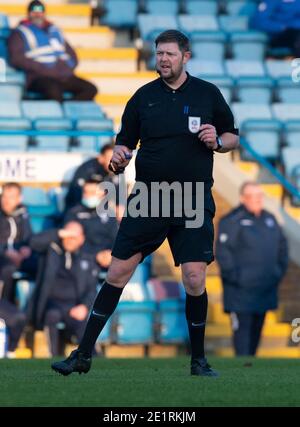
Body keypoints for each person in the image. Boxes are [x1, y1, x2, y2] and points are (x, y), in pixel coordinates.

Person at [52, 29, 239, 377]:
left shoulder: (207, 94)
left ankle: (198, 361)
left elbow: (231, 135)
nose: (163, 59)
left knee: (195, 278)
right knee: (118, 272)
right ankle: (82, 354)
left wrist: (219, 140)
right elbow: (123, 145)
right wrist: (119, 158)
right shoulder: (142, 98)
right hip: (148, 198)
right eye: (159, 54)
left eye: (169, 54)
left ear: (186, 56)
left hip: (192, 199)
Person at [216, 182, 288, 356]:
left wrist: (276, 274)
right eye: (253, 196)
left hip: (265, 290)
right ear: (242, 198)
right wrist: (238, 277)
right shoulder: (232, 220)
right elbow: (223, 253)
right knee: (243, 339)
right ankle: (241, 374)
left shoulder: (270, 219)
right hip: (240, 294)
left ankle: (252, 371)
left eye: (260, 196)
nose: (257, 200)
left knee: (256, 336)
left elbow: (282, 249)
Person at [30, 221, 99, 356]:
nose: (69, 239)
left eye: (74, 236)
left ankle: (93, 359)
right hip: (52, 305)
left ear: (81, 239)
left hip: (74, 307)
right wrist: (60, 232)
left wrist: (84, 307)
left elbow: (92, 289)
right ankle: (54, 358)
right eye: (67, 235)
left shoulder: (87, 259)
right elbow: (34, 242)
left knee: (84, 327)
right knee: (52, 315)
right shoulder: (51, 251)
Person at [7, 0, 97, 102]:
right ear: (28, 13)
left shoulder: (54, 31)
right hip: (39, 77)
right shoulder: (20, 32)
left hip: (63, 76)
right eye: (34, 11)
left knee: (90, 89)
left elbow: (72, 56)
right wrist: (42, 68)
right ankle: (56, 112)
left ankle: (68, 109)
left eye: (40, 11)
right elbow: (16, 58)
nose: (37, 14)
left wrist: (66, 68)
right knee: (54, 92)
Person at [64, 179, 119, 270]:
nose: (88, 196)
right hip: (80, 262)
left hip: (106, 260)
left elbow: (115, 239)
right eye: (85, 192)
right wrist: (95, 256)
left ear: (103, 194)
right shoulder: (73, 213)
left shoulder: (109, 214)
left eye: (92, 192)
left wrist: (110, 254)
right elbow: (69, 243)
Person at [0, 183, 35, 303]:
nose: (6, 201)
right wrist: (5, 251)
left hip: (20, 256)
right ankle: (6, 308)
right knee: (7, 269)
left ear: (19, 199)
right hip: (3, 256)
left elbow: (28, 236)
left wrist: (27, 248)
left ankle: (34, 310)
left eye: (11, 197)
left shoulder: (23, 213)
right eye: (4, 197)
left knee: (43, 263)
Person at [64, 143, 115, 211]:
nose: (113, 162)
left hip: (100, 210)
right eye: (109, 158)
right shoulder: (86, 169)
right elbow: (77, 194)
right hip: (78, 209)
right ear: (101, 158)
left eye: (114, 158)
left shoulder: (114, 171)